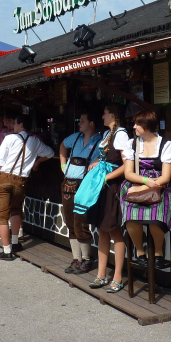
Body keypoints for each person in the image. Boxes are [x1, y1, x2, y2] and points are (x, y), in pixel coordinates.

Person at [120, 110, 171, 269]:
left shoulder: (165, 145)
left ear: (147, 126)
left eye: (138, 124)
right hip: (136, 184)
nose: (134, 127)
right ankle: (140, 252)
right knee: (130, 216)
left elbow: (165, 177)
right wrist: (145, 181)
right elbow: (128, 173)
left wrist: (146, 187)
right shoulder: (132, 144)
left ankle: (158, 253)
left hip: (160, 187)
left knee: (156, 216)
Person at [0, 113, 54, 260]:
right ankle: (15, 243)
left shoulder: (9, 138)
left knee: (2, 215)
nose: (12, 126)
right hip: (21, 180)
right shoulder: (34, 141)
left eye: (15, 123)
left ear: (20, 125)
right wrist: (37, 162)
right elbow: (51, 153)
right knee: (16, 210)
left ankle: (7, 251)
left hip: (5, 178)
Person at [87, 105, 128, 292]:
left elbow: (127, 166)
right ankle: (101, 274)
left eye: (104, 113)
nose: (102, 116)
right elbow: (105, 159)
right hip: (102, 187)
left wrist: (107, 177)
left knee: (113, 230)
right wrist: (97, 163)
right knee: (102, 230)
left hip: (113, 187)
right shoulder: (107, 134)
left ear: (112, 114)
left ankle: (118, 276)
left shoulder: (120, 134)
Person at [59, 111, 102, 274]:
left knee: (81, 222)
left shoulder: (99, 142)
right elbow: (63, 145)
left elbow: (107, 159)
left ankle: (87, 259)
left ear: (91, 123)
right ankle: (76, 258)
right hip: (67, 184)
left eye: (82, 121)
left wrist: (98, 161)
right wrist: (63, 166)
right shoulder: (75, 137)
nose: (79, 123)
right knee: (70, 222)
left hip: (85, 185)